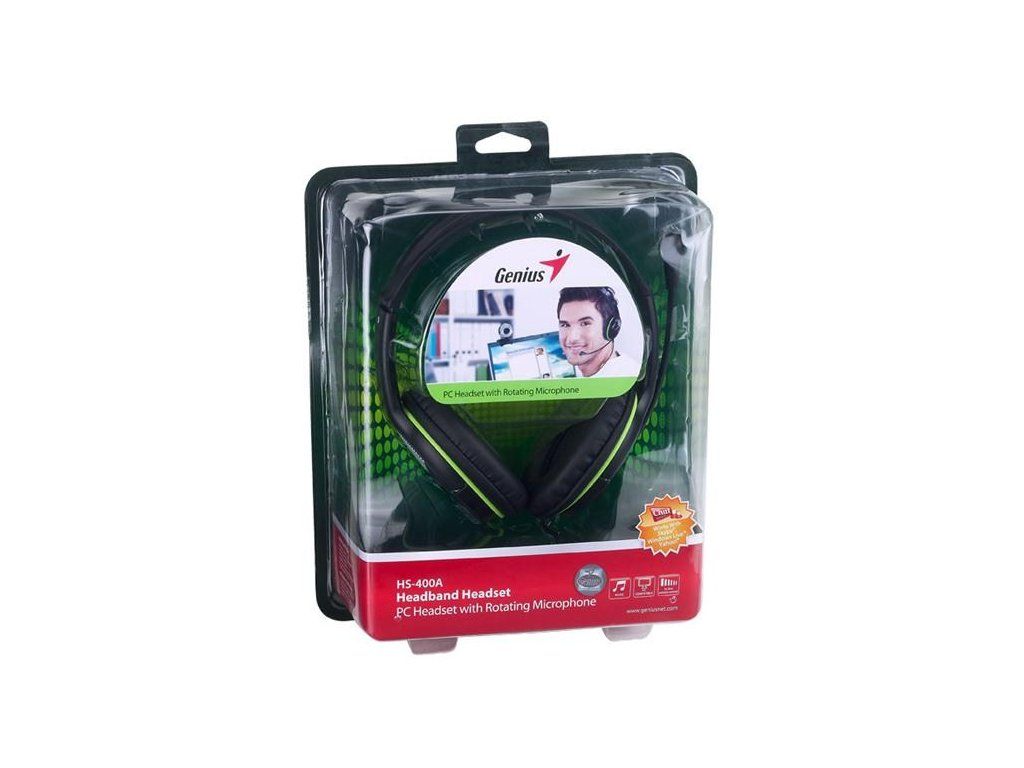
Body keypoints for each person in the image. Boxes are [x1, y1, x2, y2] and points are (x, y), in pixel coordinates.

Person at [557, 286, 639, 378]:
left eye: (585, 323)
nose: (572, 338)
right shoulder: (568, 375)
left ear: (611, 328)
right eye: (565, 325)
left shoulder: (628, 377)